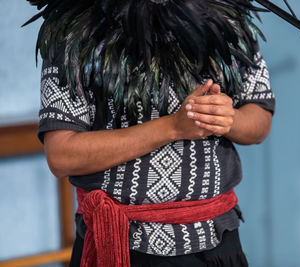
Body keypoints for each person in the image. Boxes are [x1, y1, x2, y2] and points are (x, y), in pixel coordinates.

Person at [27, 0, 275, 266]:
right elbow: (61, 155)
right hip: (122, 245)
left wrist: (230, 120)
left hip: (218, 240)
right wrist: (172, 127)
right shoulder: (74, 30)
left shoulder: (229, 19)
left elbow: (260, 118)